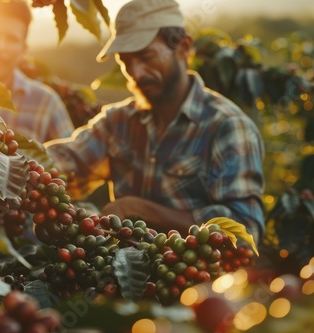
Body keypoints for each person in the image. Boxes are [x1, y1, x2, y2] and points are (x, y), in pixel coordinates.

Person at [44, 0, 265, 241]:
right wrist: (5, 161)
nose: (136, 73)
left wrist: (137, 209)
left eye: (147, 57)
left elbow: (246, 233)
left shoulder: (227, 126)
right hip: (124, 274)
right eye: (125, 62)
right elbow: (67, 163)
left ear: (183, 47)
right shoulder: (118, 121)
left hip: (200, 279)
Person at [0, 0, 74, 143]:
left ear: (24, 50)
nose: (0, 46)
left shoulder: (46, 104)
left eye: (11, 39)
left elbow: (70, 160)